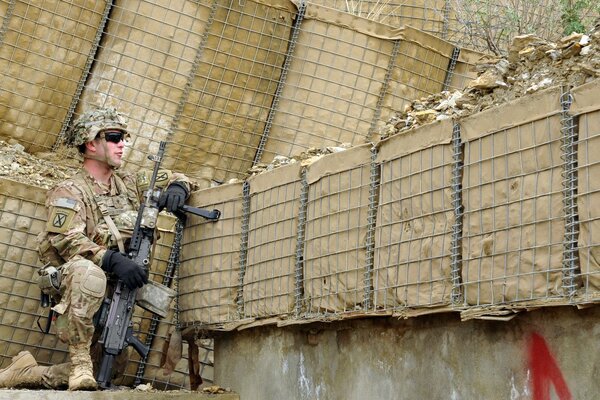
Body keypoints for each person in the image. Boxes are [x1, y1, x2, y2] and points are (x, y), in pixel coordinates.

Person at [0, 107, 194, 390]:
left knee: (111, 368)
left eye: (124, 138)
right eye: (115, 137)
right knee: (88, 273)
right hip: (80, 279)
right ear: (91, 143)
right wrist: (112, 259)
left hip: (120, 283)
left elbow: (178, 178)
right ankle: (79, 363)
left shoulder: (130, 183)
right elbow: (66, 240)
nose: (122, 144)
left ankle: (26, 373)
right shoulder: (68, 190)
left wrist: (179, 188)